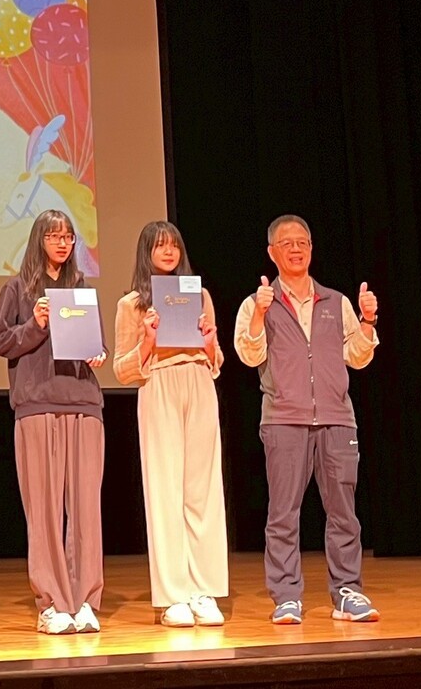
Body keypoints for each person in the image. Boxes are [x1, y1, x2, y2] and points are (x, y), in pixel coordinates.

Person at [232, 215, 381, 624]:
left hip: (337, 418)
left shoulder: (335, 301)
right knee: (283, 514)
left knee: (344, 513)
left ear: (311, 249)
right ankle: (286, 596)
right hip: (284, 419)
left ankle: (348, 592)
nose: (296, 249)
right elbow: (248, 354)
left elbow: (357, 358)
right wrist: (261, 313)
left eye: (302, 242)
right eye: (287, 243)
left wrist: (367, 321)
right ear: (272, 253)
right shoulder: (256, 303)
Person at [0, 209, 108, 635]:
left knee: (86, 510)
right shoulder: (17, 288)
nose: (62, 244)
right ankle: (53, 602)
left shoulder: (81, 289)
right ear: (39, 240)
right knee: (44, 510)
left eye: (69, 237)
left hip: (83, 403)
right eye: (54, 236)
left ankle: (85, 600)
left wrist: (98, 352)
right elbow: (0, 341)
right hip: (37, 404)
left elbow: (95, 342)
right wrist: (36, 324)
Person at [113, 220, 229, 628]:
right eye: (160, 246)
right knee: (165, 490)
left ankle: (203, 590)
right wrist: (148, 339)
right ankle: (172, 596)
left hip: (198, 381)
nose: (168, 252)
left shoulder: (199, 295)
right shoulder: (132, 304)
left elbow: (216, 360)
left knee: (203, 489)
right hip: (159, 383)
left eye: (174, 245)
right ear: (146, 252)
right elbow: (122, 370)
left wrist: (210, 344)